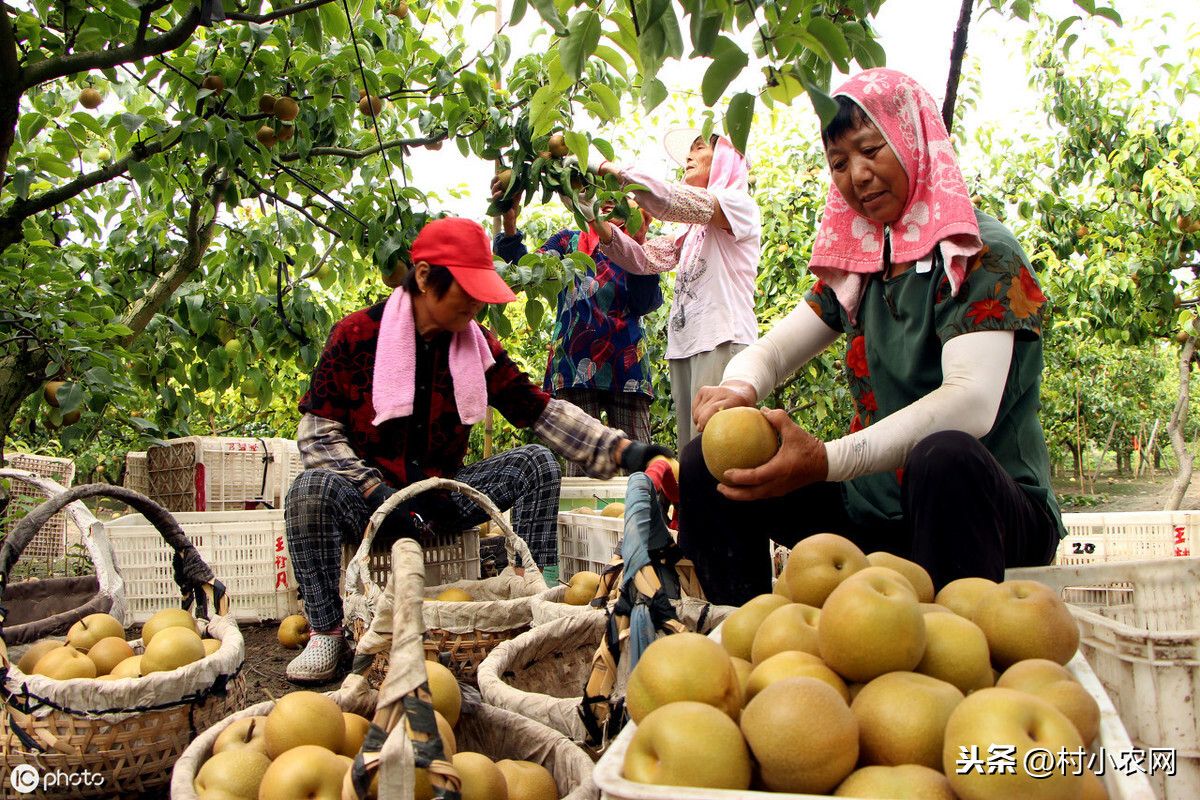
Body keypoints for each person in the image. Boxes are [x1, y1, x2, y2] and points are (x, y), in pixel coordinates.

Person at [677, 68, 1065, 607]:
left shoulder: (982, 251)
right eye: (839, 163)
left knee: (945, 457)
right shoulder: (862, 265)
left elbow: (971, 402)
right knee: (706, 465)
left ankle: (959, 662)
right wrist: (739, 387)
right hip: (874, 514)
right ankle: (733, 636)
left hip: (981, 512)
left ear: (912, 141)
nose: (857, 175)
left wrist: (827, 460)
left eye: (870, 150)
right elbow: (774, 349)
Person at [284, 216, 671, 682]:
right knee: (309, 490)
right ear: (425, 276)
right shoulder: (356, 336)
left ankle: (537, 592)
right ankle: (327, 632)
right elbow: (318, 434)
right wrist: (376, 494)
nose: (476, 303)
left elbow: (538, 410)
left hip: (442, 495)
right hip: (370, 500)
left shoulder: (476, 346)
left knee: (536, 463)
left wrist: (624, 450)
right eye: (465, 290)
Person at [584, 131, 761, 448]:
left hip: (723, 339)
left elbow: (671, 201)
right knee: (693, 453)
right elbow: (643, 259)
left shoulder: (738, 205)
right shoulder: (689, 232)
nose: (689, 157)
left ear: (724, 160)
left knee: (719, 450)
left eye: (700, 148)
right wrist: (593, 218)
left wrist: (604, 168)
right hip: (687, 347)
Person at [491, 186, 663, 475]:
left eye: (619, 199)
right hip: (574, 365)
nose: (609, 202)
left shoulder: (638, 248)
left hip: (627, 366)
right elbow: (527, 272)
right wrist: (510, 225)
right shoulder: (568, 241)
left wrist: (638, 245)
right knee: (582, 462)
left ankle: (643, 518)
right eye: (602, 197)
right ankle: (586, 521)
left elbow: (645, 303)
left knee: (639, 465)